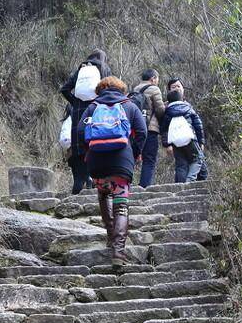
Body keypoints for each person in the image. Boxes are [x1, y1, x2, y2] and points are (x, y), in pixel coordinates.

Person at [74, 76, 147, 267]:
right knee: (121, 205)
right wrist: (135, 152)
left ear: (100, 90)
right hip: (122, 160)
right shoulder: (129, 105)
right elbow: (143, 132)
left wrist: (86, 152)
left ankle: (109, 235)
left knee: (104, 194)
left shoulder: (92, 106)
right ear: (121, 89)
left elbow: (80, 131)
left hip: (97, 160)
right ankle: (118, 252)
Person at [59, 51, 110, 195]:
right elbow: (109, 90)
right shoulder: (103, 69)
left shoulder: (81, 69)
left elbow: (64, 89)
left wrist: (75, 102)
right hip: (96, 115)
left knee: (79, 163)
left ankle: (76, 193)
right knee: (96, 156)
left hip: (78, 118)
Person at [160, 89, 205, 183]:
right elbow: (198, 125)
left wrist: (166, 144)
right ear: (182, 98)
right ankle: (190, 180)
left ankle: (180, 186)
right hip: (190, 139)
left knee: (181, 164)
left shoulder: (167, 113)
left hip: (175, 142)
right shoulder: (188, 109)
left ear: (168, 101)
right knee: (198, 159)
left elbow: (163, 130)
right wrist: (201, 142)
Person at [131, 69, 167, 188]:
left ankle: (127, 185)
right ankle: (145, 187)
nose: (157, 82)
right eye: (157, 79)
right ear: (153, 78)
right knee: (149, 160)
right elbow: (160, 110)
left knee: (132, 157)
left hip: (134, 130)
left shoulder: (134, 90)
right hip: (150, 129)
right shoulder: (154, 89)